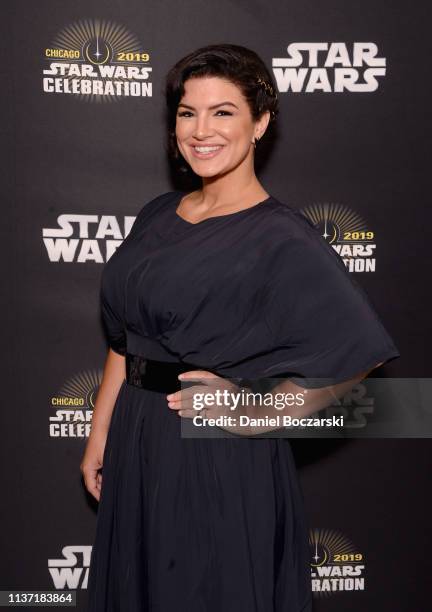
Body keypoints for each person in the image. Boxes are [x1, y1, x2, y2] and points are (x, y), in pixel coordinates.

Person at [81, 44, 399, 611]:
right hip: (137, 439)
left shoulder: (282, 236)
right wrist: (102, 429)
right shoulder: (159, 212)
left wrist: (256, 416)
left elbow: (359, 354)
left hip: (213, 454)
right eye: (187, 112)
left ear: (261, 122)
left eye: (223, 112)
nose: (201, 130)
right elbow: (125, 337)